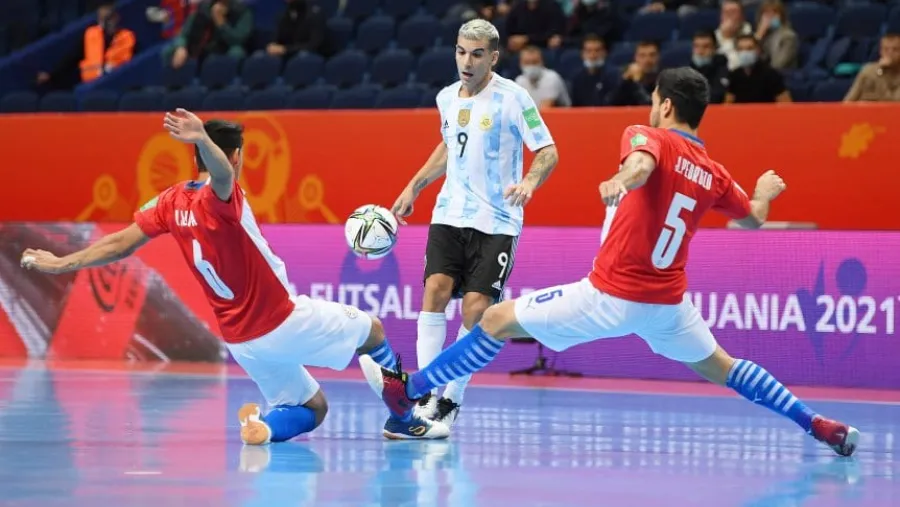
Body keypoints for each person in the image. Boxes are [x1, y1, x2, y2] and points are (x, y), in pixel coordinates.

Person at [361, 67, 859, 457]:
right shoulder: (715, 172)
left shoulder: (648, 135)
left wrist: (625, 179)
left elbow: (643, 163)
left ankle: (410, 391)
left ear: (664, 104)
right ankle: (814, 422)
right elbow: (751, 218)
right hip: (667, 305)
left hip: (609, 295)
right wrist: (766, 193)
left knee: (493, 319)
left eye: (653, 100)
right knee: (727, 368)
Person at [19, 111, 449, 444]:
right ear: (238, 155)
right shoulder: (222, 198)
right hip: (280, 318)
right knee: (373, 331)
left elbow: (119, 245)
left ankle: (263, 427)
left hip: (241, 341)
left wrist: (60, 264)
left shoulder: (169, 201)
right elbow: (222, 175)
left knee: (310, 407)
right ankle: (404, 418)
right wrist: (206, 140)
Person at [389, 19, 559, 433]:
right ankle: (424, 392)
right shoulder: (446, 98)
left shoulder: (514, 98)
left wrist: (531, 181)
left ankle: (451, 398)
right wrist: (415, 186)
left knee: (476, 309)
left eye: (477, 54)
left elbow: (548, 150)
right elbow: (449, 145)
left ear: (493, 57)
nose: (467, 61)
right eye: (462, 51)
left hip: (498, 218)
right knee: (435, 290)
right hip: (450, 211)